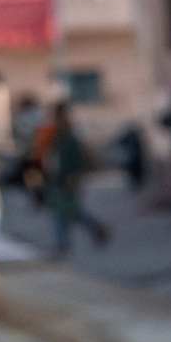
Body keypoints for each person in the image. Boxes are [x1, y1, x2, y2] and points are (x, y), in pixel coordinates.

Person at [40, 102, 108, 256]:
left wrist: (73, 176)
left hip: (68, 177)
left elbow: (75, 156)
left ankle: (63, 244)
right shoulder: (54, 131)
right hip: (57, 178)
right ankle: (95, 229)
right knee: (67, 210)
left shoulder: (70, 132)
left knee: (65, 211)